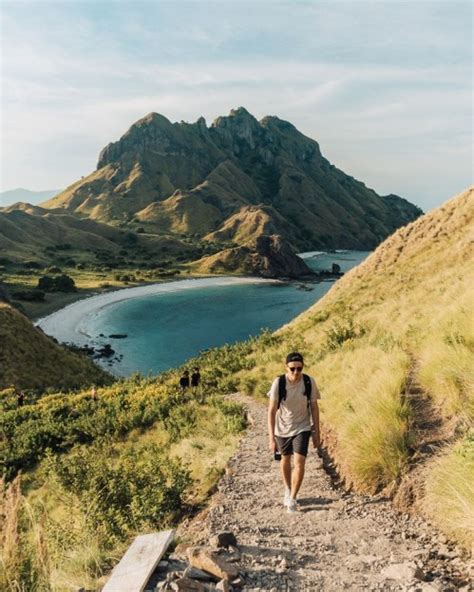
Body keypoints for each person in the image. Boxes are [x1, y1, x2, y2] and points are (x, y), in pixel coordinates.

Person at [267, 352, 321, 513]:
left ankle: (293, 498)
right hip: (282, 428)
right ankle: (287, 488)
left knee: (300, 462)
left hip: (302, 427)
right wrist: (271, 438)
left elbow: (314, 407)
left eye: (299, 368)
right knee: (285, 459)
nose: (296, 372)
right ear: (286, 367)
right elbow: (271, 411)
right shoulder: (279, 383)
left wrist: (316, 432)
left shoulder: (308, 382)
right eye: (292, 369)